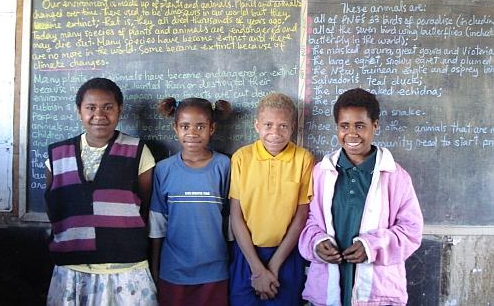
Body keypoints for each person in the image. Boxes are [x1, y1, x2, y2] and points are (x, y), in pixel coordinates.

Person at [298, 88, 423, 306]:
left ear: (375, 125)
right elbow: (310, 222)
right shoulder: (322, 172)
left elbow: (411, 231)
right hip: (328, 288)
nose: (352, 134)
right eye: (344, 126)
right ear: (337, 127)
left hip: (378, 292)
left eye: (360, 126)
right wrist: (317, 243)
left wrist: (372, 247)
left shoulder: (394, 175)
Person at [44, 77, 157, 305]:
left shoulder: (138, 152)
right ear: (79, 111)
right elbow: (54, 205)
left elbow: (145, 206)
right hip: (72, 269)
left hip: (126, 269)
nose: (99, 115)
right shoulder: (57, 155)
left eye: (108, 107)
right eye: (91, 108)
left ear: (119, 110)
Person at [229, 92, 314, 306]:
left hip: (286, 254)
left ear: (292, 128)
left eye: (283, 126)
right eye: (268, 125)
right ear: (257, 125)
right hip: (247, 253)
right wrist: (258, 269)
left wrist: (273, 267)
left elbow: (301, 215)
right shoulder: (241, 158)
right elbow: (236, 216)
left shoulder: (303, 159)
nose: (274, 132)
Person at [149, 97, 233, 306]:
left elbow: (232, 221)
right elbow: (157, 225)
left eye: (201, 126)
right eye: (185, 126)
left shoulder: (225, 166)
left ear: (212, 128)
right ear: (175, 128)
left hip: (215, 270)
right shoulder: (164, 169)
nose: (193, 133)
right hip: (173, 271)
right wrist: (156, 267)